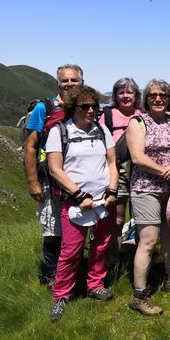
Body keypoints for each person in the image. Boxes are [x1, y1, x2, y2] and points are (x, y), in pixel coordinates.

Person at [45, 85, 118, 321]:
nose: (91, 110)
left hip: (103, 202)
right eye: (85, 106)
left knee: (101, 246)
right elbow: (55, 169)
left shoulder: (101, 129)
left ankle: (95, 285)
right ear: (72, 107)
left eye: (94, 106)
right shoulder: (60, 132)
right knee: (71, 251)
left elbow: (112, 163)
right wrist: (79, 195)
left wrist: (112, 190)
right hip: (76, 203)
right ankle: (61, 296)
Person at [126, 79, 170, 316]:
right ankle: (139, 295)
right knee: (148, 240)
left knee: (169, 236)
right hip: (146, 188)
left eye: (163, 95)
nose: (158, 98)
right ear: (146, 98)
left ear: (168, 98)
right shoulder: (137, 122)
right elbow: (137, 158)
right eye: (153, 94)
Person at [23, 64, 84, 287]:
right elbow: (30, 146)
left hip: (79, 179)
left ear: (82, 82)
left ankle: (73, 272)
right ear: (58, 82)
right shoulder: (44, 108)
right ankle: (53, 276)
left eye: (74, 80)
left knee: (77, 227)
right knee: (52, 230)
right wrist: (33, 182)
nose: (69, 84)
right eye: (65, 80)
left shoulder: (84, 106)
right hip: (50, 179)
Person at [98, 77, 142, 277]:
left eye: (130, 92)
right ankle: (113, 261)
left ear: (136, 95)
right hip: (117, 174)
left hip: (143, 174)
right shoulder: (106, 116)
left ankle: (141, 260)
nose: (126, 96)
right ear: (115, 96)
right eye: (121, 92)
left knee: (143, 220)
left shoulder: (144, 115)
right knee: (116, 220)